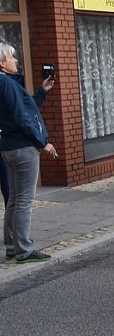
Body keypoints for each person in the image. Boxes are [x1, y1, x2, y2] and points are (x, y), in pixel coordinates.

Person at [0, 42, 58, 263]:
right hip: (23, 148)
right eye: (12, 57)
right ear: (2, 63)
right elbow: (21, 118)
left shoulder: (6, 83)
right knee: (23, 200)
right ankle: (23, 249)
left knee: (14, 198)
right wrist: (43, 143)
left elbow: (26, 108)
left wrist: (42, 92)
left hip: (9, 146)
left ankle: (12, 245)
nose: (16, 60)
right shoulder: (7, 83)